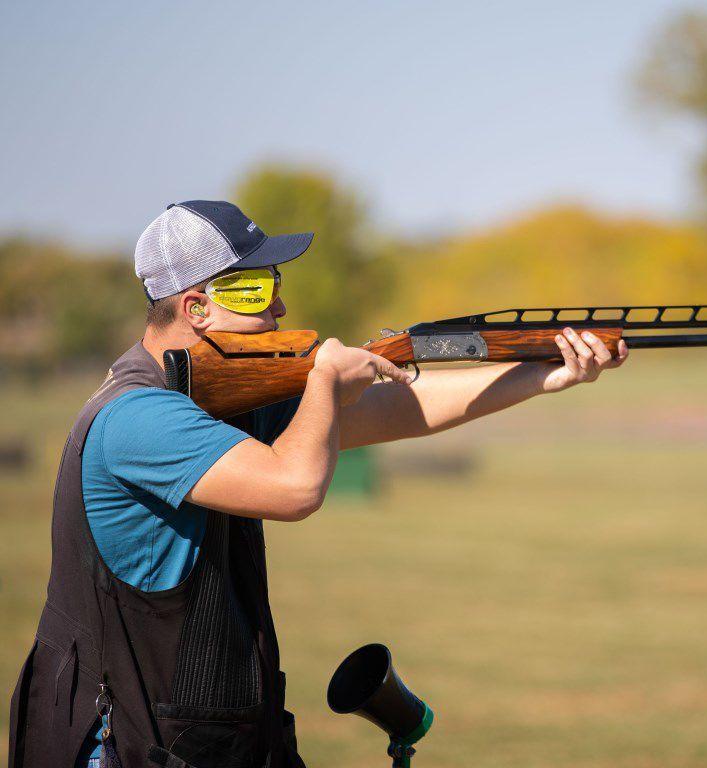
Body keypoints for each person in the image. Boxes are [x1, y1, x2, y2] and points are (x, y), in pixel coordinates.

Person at [8, 200, 628, 768]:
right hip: (133, 746)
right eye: (253, 290)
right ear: (195, 308)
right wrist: (326, 380)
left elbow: (397, 410)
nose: (278, 307)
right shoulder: (141, 418)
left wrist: (543, 374)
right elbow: (294, 489)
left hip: (203, 736)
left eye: (275, 286)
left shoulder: (208, 404)